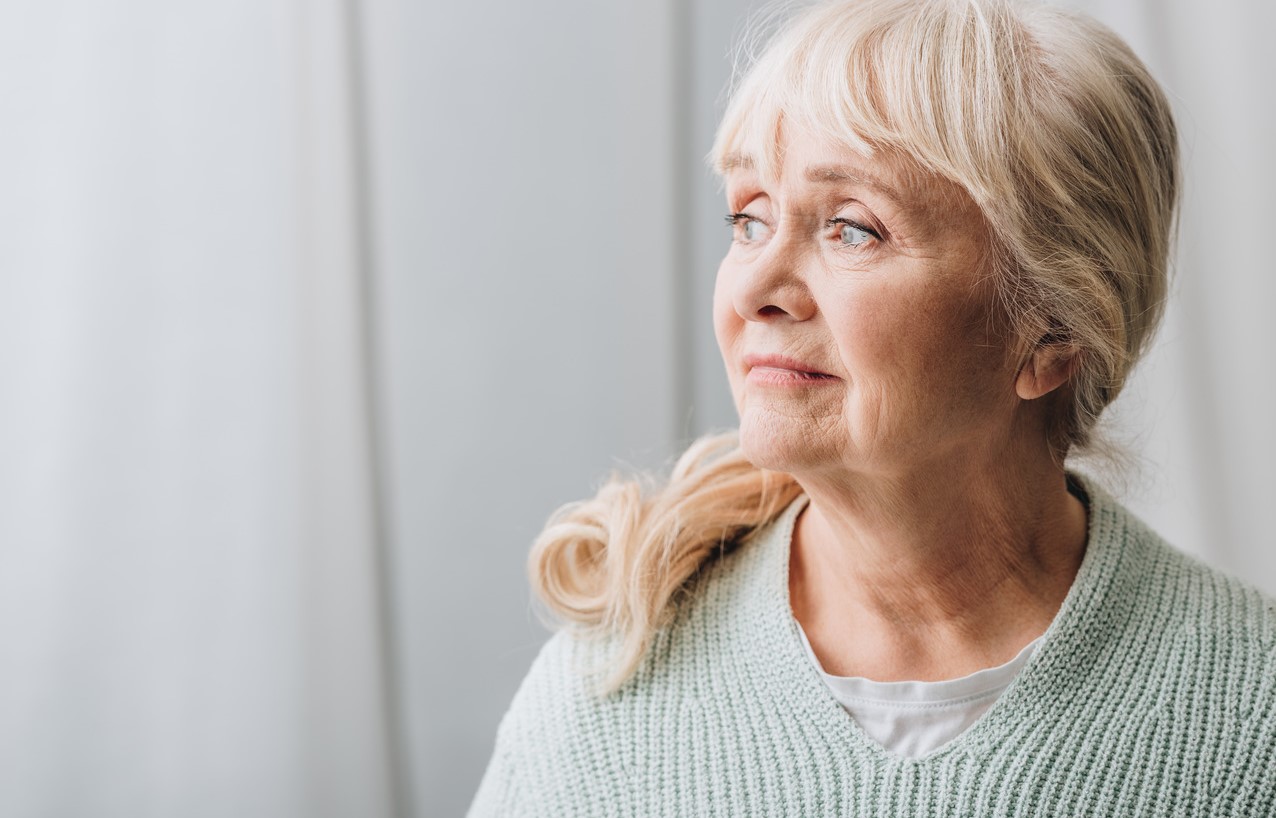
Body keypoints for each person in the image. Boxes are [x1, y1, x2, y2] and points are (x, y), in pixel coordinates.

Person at [470, 0, 1276, 814]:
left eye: (852, 230)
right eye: (748, 218)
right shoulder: (610, 686)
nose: (752, 288)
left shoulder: (1251, 717)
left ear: (1054, 335)